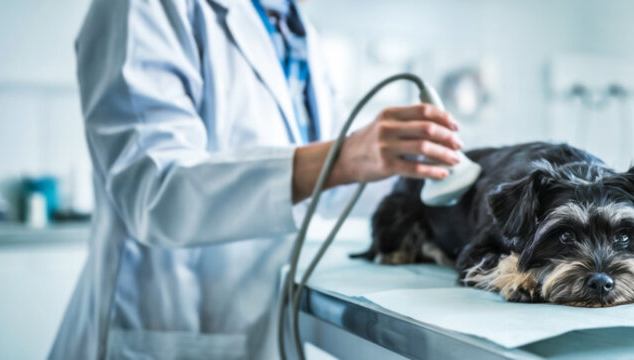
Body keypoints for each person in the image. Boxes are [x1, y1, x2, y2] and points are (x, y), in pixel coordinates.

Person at [49, 0, 463, 358]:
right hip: (161, 327)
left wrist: (433, 176)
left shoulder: (296, 28)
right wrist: (344, 157)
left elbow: (330, 192)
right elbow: (156, 194)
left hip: (259, 323)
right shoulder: (146, 8)